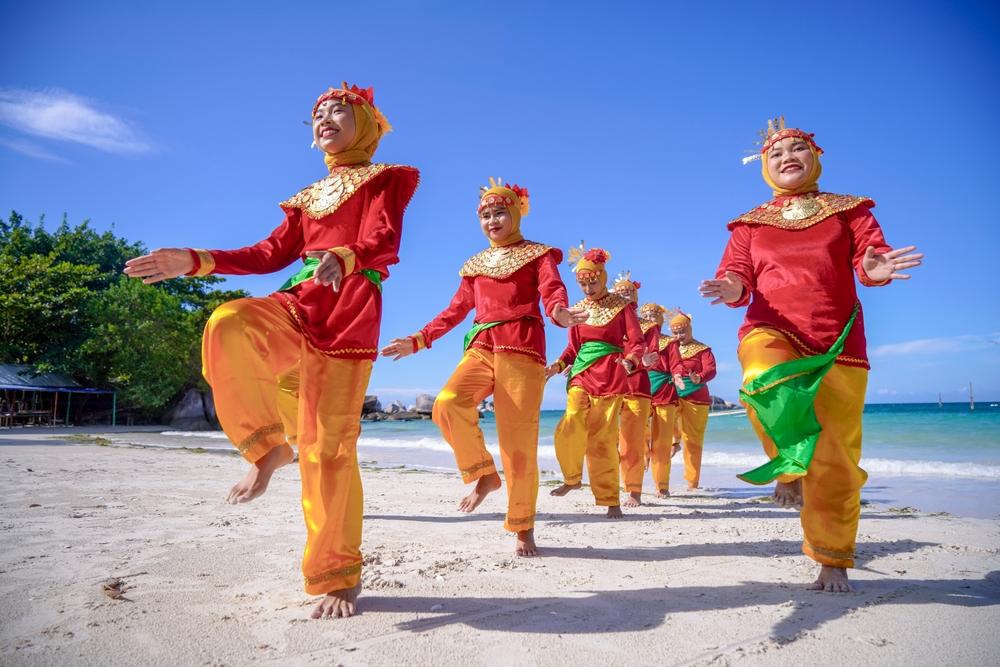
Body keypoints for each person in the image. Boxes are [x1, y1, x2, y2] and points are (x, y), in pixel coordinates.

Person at [124, 83, 419, 618]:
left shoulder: (384, 179)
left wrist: (346, 257)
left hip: (348, 317)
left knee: (329, 451)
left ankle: (338, 575)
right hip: (297, 303)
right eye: (316, 114)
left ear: (368, 125)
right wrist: (195, 259)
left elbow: (384, 239)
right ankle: (266, 451)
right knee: (231, 322)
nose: (323, 119)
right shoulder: (306, 197)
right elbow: (268, 254)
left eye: (337, 111)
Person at [699, 117, 922, 592]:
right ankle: (788, 462)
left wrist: (874, 267)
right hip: (771, 327)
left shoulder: (850, 210)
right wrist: (732, 285)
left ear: (815, 157)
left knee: (835, 456)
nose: (787, 157)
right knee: (760, 381)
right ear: (765, 167)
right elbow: (737, 274)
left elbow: (870, 258)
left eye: (797, 148)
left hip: (838, 339)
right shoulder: (749, 223)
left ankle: (831, 556)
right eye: (776, 153)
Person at [380, 179, 585, 556]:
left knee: (517, 445)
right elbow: (456, 310)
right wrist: (419, 340)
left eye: (500, 212)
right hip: (481, 346)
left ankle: (522, 525)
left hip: (522, 350)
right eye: (485, 215)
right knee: (447, 403)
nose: (492, 220)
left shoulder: (538, 254)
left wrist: (561, 313)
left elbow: (552, 291)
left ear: (517, 213)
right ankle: (484, 474)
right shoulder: (473, 265)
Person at [547, 246, 645, 518]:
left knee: (602, 439)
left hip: (611, 374)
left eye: (593, 282)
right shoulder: (576, 310)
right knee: (571, 420)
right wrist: (557, 366)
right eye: (583, 284)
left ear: (602, 277)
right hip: (581, 372)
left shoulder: (621, 307)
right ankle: (572, 477)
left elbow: (637, 342)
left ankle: (609, 498)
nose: (588, 288)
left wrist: (630, 361)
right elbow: (573, 348)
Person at [611, 275, 659, 506]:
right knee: (603, 439)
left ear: (636, 297)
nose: (623, 295)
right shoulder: (605, 320)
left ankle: (633, 490)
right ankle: (607, 486)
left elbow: (652, 357)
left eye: (628, 292)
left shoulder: (649, 327)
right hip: (607, 385)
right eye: (619, 292)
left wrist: (643, 362)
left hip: (637, 388)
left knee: (632, 442)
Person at [669, 312, 716, 490]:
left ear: (690, 329)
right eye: (675, 333)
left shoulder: (702, 349)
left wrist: (700, 377)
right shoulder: (668, 348)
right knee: (660, 424)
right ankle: (674, 441)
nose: (679, 336)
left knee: (693, 441)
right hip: (672, 395)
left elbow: (711, 369)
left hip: (696, 398)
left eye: (682, 332)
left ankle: (692, 481)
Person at [641, 303, 683, 497]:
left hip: (665, 392)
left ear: (661, 318)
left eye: (654, 315)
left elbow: (676, 363)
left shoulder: (669, 342)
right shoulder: (636, 341)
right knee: (636, 436)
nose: (650, 318)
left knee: (662, 442)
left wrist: (677, 376)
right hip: (640, 390)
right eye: (647, 315)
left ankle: (662, 485)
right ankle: (634, 479)